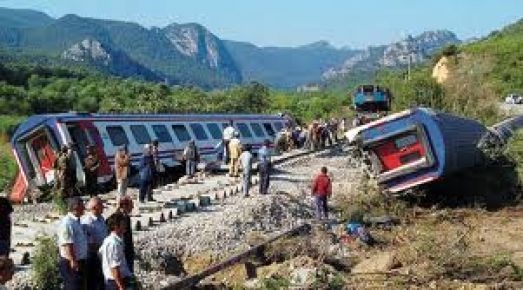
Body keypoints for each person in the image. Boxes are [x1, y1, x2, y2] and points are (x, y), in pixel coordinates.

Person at [57, 197, 88, 290]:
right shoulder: (68, 222)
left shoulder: (77, 221)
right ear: (76, 207)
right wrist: (72, 260)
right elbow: (67, 243)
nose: (84, 208)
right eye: (82, 205)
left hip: (80, 260)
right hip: (71, 261)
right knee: (73, 286)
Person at [99, 212, 133, 290]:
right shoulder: (113, 243)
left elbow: (100, 253)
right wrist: (120, 286)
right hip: (115, 282)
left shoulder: (115, 240)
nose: (125, 226)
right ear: (115, 226)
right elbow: (114, 267)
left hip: (120, 278)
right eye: (123, 224)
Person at [81, 197, 108, 290]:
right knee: (92, 282)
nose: (103, 207)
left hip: (103, 254)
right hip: (93, 255)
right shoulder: (87, 222)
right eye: (101, 205)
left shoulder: (101, 219)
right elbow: (88, 243)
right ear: (94, 207)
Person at [116, 196, 135, 274]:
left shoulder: (127, 217)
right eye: (131, 205)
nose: (133, 207)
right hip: (122, 251)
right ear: (124, 206)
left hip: (128, 250)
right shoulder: (117, 218)